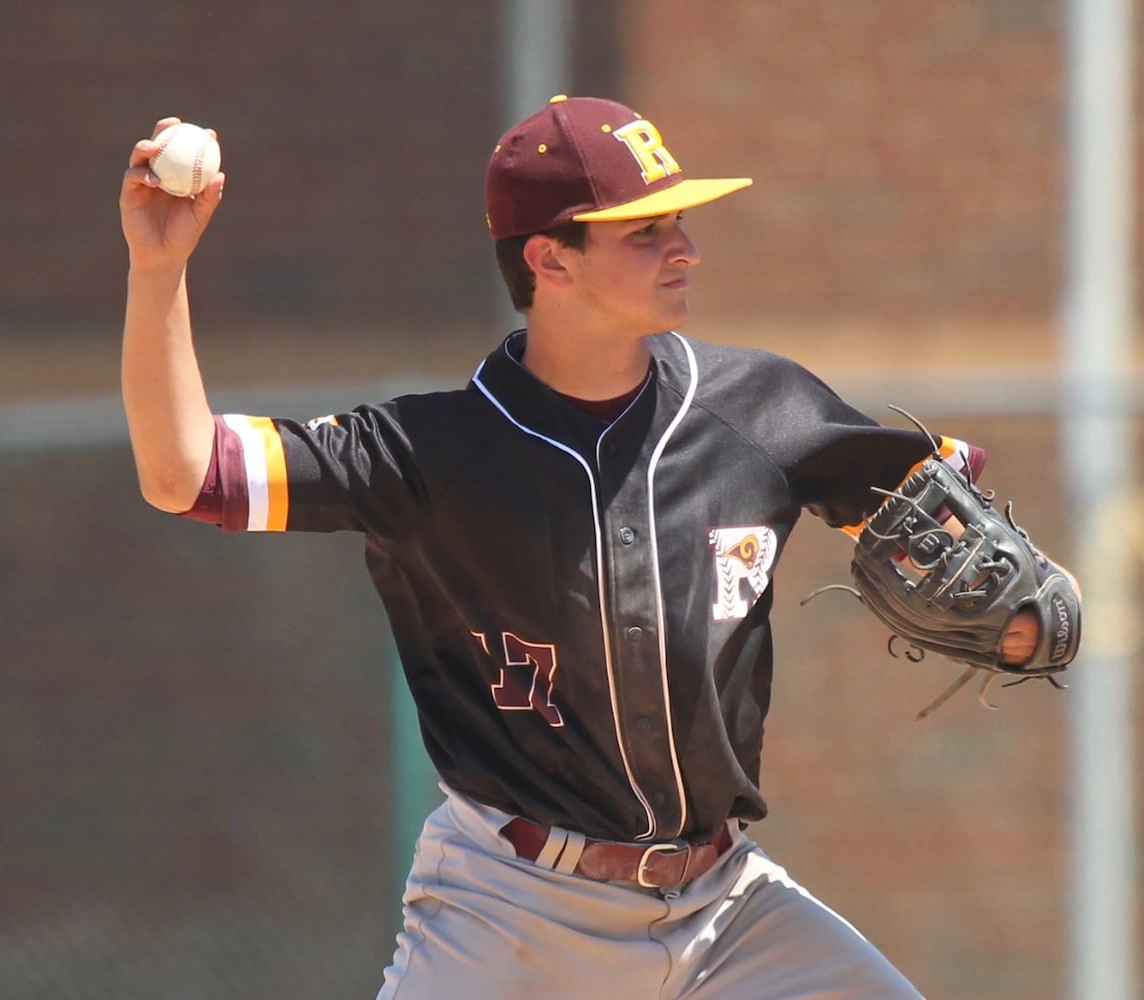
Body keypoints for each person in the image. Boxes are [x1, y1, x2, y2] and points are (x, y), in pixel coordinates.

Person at [119, 95, 1042, 999]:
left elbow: (943, 523)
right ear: (548, 261)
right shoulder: (431, 455)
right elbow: (185, 473)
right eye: (644, 232)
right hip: (510, 914)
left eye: (676, 221)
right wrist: (158, 270)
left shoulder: (761, 411)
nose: (683, 247)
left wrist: (1024, 617)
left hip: (726, 913)